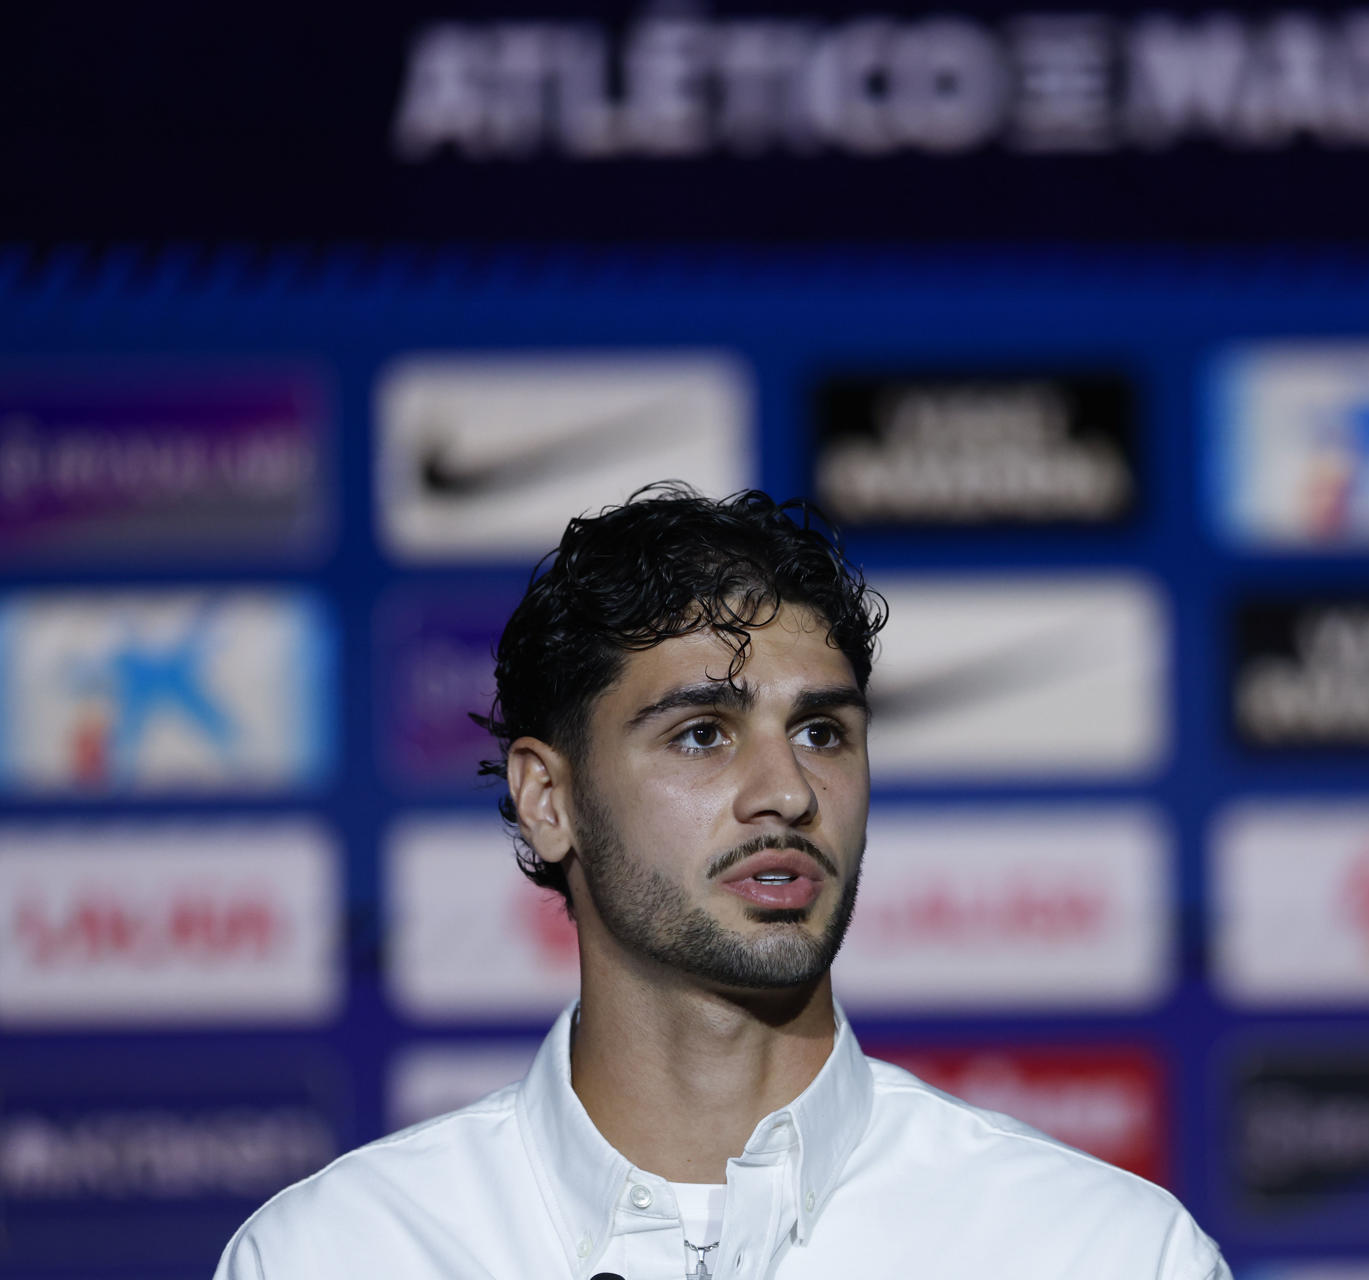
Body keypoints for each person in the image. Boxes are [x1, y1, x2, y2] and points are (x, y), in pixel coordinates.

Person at [215, 483, 1228, 1279]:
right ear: (547, 797)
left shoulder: (1100, 1253)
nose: (785, 790)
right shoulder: (337, 1253)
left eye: (822, 731)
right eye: (703, 734)